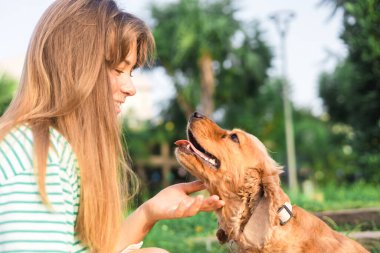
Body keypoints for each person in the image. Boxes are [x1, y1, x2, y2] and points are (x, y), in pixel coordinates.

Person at [0, 0, 225, 252]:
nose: (131, 88)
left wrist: (148, 213)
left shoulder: (54, 150)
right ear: (74, 68)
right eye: (118, 69)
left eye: (131, 72)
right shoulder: (39, 156)